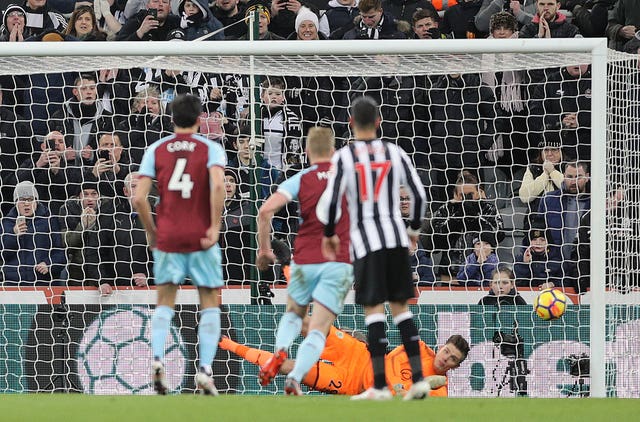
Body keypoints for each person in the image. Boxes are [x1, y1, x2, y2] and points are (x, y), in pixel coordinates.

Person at [320, 96, 431, 401]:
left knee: (373, 311)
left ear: (350, 123)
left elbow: (330, 202)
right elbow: (419, 196)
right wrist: (412, 230)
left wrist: (330, 233)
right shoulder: (394, 152)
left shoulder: (344, 156)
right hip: (395, 239)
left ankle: (380, 386)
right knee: (401, 309)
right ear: (379, 122)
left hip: (366, 243)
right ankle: (419, 379)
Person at [134, 93, 226, 396]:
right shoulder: (211, 148)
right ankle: (205, 371)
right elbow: (218, 186)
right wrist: (214, 226)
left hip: (169, 236)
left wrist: (152, 232)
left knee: (164, 302)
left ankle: (158, 361)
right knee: (209, 301)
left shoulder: (156, 149)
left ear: (171, 118)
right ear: (200, 120)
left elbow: (138, 198)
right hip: (201, 236)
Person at [255, 127, 353, 395]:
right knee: (320, 327)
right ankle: (295, 377)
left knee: (294, 314)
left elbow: (265, 211)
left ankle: (280, 351)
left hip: (305, 259)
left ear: (308, 152)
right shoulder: (350, 179)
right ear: (333, 153)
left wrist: (264, 249)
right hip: (339, 262)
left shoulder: (301, 178)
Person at [219, 326, 469, 397]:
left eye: (452, 359)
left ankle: (230, 345)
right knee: (312, 325)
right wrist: (401, 389)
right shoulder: (418, 348)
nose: (446, 358)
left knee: (288, 368)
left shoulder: (439, 392)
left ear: (455, 367)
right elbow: (391, 362)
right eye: (446, 351)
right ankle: (287, 269)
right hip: (357, 353)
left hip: (350, 383)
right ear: (440, 347)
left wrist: (406, 391)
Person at [0, 181, 66, 285]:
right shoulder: (6, 223)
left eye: (30, 199)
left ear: (37, 201)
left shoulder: (49, 220)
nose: (26, 203)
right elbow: (3, 255)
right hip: (13, 284)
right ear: (15, 202)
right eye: (22, 200)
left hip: (43, 283)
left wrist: (48, 264)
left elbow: (60, 253)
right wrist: (13, 235)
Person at [58, 179, 116, 292]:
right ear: (79, 197)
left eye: (94, 194)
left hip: (105, 269)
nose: (90, 198)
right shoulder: (67, 210)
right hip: (77, 270)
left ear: (99, 196)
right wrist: (83, 227)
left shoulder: (110, 210)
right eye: (85, 194)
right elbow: (67, 243)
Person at [15, 130, 82, 216]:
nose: (57, 144)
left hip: (60, 216)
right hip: (33, 215)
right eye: (52, 141)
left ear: (65, 147)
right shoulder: (30, 162)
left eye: (61, 142)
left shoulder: (72, 169)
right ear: (43, 146)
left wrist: (57, 172)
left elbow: (73, 193)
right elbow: (17, 182)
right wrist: (37, 166)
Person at [111, 171, 154, 288]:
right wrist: (103, 281)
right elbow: (98, 251)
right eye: (134, 186)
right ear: (125, 191)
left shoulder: (159, 218)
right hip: (115, 290)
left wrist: (149, 276)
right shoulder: (112, 216)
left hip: (149, 290)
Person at [513, 220, 563, 289]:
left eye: (542, 240)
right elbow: (517, 284)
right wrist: (524, 265)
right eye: (534, 239)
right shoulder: (519, 259)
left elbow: (567, 281)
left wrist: (552, 284)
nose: (538, 243)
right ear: (529, 241)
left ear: (548, 241)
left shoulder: (557, 259)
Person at [115, 0, 180, 41]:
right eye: (155, 1)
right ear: (148, 6)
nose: (160, 4)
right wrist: (140, 32)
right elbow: (118, 45)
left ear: (169, 8)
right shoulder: (137, 20)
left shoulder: (176, 23)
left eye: (164, 2)